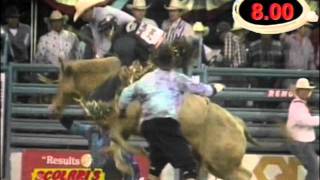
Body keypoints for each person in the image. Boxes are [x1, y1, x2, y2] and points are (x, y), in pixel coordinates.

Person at [118, 40, 225, 180]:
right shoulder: (177, 78)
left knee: (156, 164)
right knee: (188, 165)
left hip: (148, 126)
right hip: (166, 124)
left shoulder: (146, 78)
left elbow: (126, 92)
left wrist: (121, 110)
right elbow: (201, 89)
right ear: (173, 61)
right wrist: (216, 88)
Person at [59, 117, 141, 180]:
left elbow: (130, 165)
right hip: (97, 173)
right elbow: (75, 127)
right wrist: (60, 117)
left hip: (114, 172)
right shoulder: (92, 131)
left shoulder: (118, 134)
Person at [286, 78, 319, 180]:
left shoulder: (299, 105)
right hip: (300, 143)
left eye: (307, 90)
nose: (306, 92)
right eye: (303, 90)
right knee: (314, 169)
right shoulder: (297, 105)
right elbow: (305, 121)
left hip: (301, 142)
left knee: (314, 169)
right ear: (298, 91)